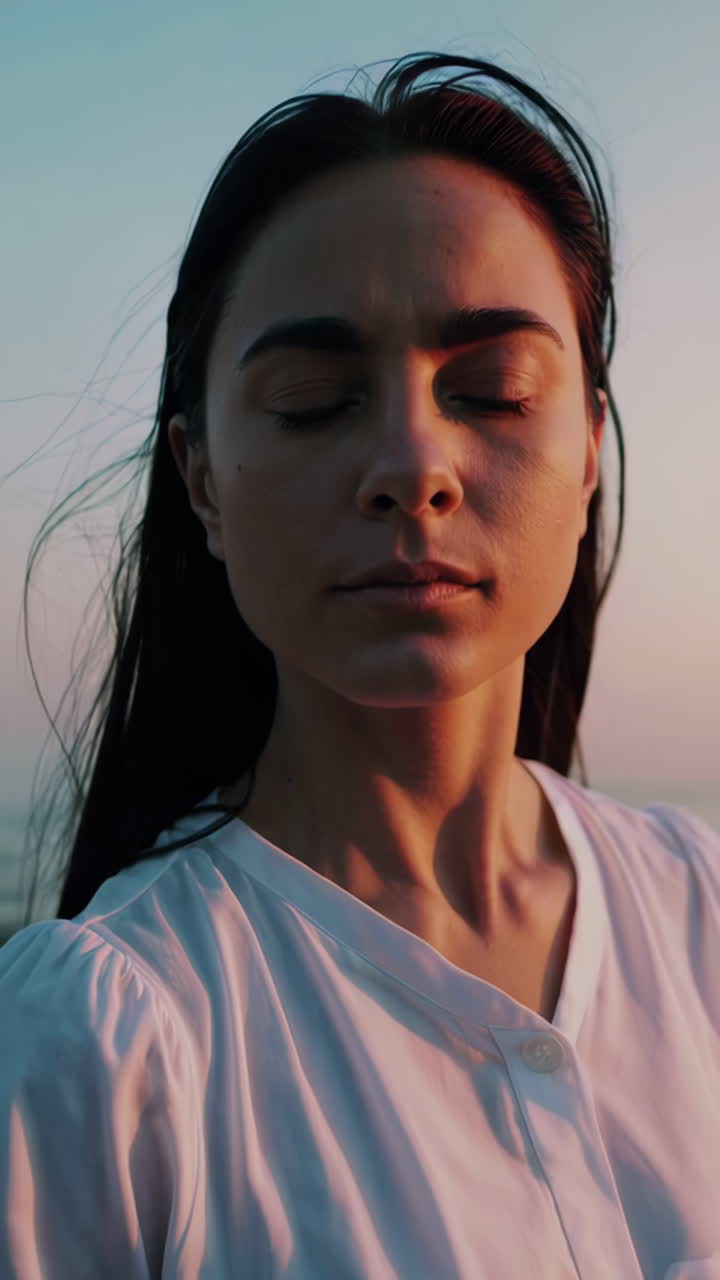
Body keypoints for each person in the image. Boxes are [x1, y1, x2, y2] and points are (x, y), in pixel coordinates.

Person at [1, 51, 718, 1280]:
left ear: (589, 446)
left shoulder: (700, 915)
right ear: (203, 481)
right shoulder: (104, 1043)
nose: (410, 462)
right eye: (314, 400)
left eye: (493, 390)